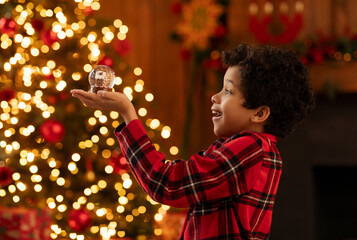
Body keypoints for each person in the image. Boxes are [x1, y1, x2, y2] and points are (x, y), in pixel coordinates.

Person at [71, 43, 315, 240]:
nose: (215, 97)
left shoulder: (249, 149)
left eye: (228, 91)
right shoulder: (256, 150)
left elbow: (167, 183)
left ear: (260, 113)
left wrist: (128, 112)